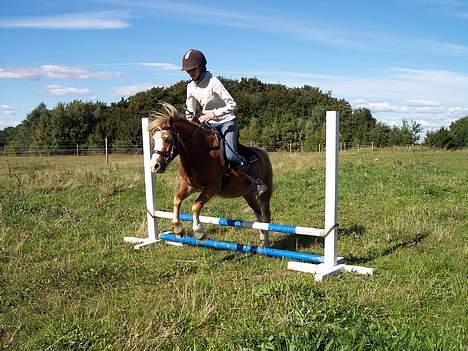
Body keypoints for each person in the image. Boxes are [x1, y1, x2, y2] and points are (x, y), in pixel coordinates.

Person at [181, 48, 267, 196]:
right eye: (187, 71)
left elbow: (232, 105)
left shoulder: (213, 82)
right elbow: (190, 108)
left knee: (231, 155)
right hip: (208, 122)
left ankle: (257, 182)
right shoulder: (190, 86)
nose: (190, 73)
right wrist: (190, 118)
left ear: (201, 67)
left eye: (192, 70)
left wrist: (212, 114)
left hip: (227, 121)